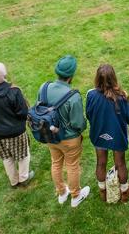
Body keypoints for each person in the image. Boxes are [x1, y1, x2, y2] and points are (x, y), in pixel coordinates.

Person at [38, 55, 90, 208]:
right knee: (72, 165)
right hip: (69, 139)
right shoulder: (73, 97)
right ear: (71, 75)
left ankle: (61, 193)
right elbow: (78, 123)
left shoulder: (44, 87)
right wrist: (83, 128)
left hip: (49, 136)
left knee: (56, 163)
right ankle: (75, 195)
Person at [0, 63, 33, 188]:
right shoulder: (14, 91)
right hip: (16, 132)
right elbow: (23, 113)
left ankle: (14, 181)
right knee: (23, 155)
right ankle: (23, 178)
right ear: (4, 76)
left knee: (7, 157)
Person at [86, 64, 129, 203]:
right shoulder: (122, 96)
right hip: (117, 134)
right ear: (114, 78)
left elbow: (88, 114)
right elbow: (128, 119)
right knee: (120, 163)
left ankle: (103, 191)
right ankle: (124, 191)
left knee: (101, 162)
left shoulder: (91, 95)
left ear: (97, 79)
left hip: (99, 133)